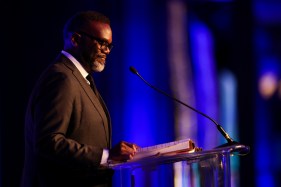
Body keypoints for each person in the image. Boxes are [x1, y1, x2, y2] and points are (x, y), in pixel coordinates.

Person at [21, 10, 138, 187]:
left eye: (109, 45)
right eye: (101, 43)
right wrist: (106, 155)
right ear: (75, 40)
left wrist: (114, 155)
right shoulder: (61, 77)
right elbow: (48, 142)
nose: (106, 50)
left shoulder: (81, 78)